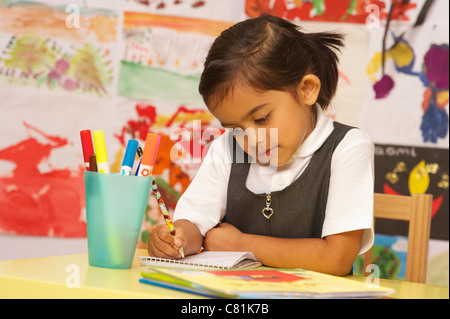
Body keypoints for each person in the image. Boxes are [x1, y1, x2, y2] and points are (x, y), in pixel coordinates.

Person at [147, 14, 374, 276]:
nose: (252, 140)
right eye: (235, 129)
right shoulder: (227, 149)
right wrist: (177, 240)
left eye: (262, 118)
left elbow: (336, 259)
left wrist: (241, 245)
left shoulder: (347, 147)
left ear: (307, 90)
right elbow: (194, 223)